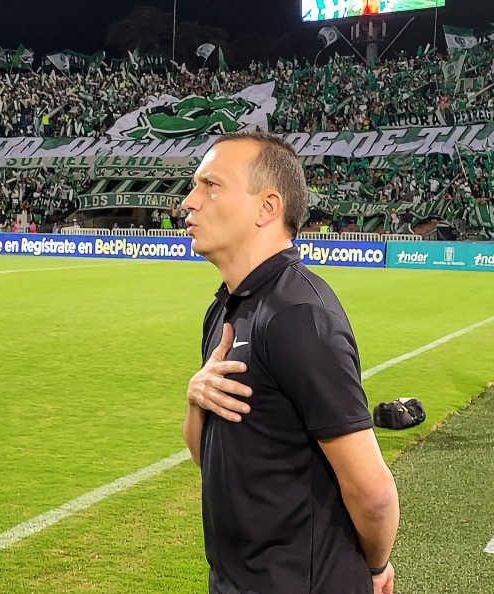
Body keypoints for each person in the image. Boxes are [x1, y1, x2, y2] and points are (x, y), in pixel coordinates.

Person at [180, 131, 399, 594]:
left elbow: (373, 491)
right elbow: (212, 459)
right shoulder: (227, 308)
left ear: (267, 207)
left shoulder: (298, 315)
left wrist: (375, 568)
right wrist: (195, 398)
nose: (188, 202)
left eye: (210, 185)